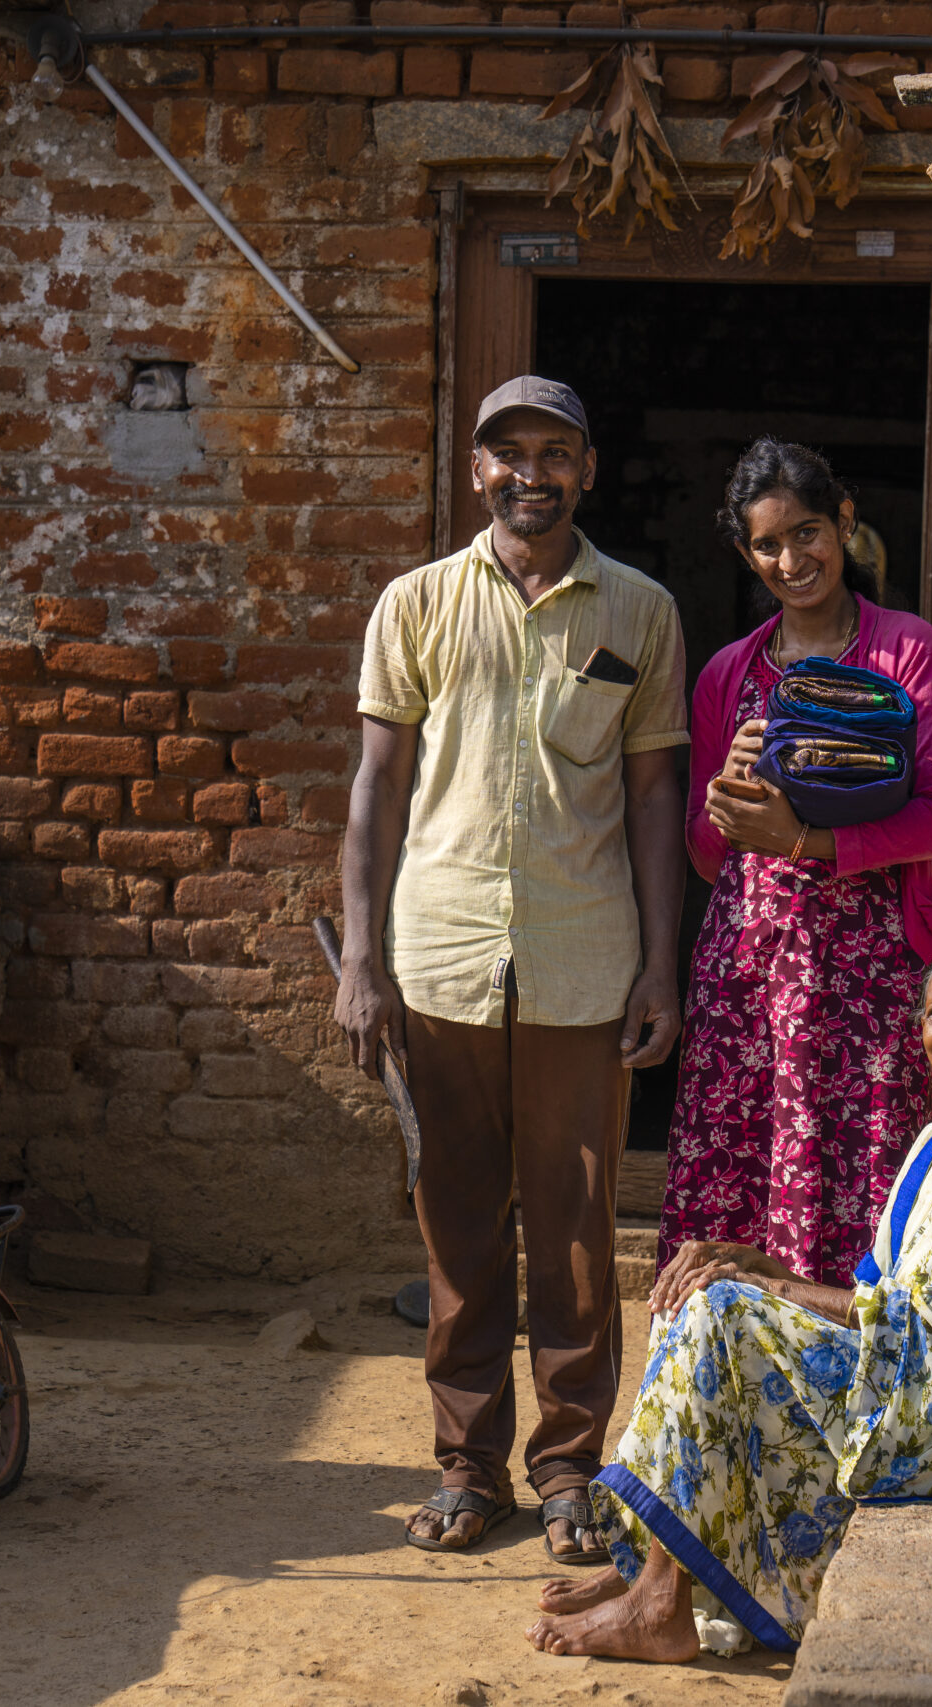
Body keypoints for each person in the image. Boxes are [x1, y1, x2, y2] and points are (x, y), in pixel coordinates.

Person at [524, 938, 932, 1661]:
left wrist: (766, 1283)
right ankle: (654, 1573)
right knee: (701, 1293)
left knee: (725, 1313)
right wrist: (756, 1264)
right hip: (915, 1366)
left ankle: (660, 1600)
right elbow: (881, 1290)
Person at [337, 376, 690, 1563]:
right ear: (474, 472)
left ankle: (568, 1468)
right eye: (506, 455)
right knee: (460, 1227)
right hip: (439, 957)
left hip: (584, 958)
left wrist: (659, 966)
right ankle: (465, 1465)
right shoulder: (417, 604)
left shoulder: (638, 610)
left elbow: (653, 796)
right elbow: (378, 788)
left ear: (587, 470)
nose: (528, 474)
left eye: (553, 453)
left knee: (578, 1227)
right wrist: (362, 959)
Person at [662, 439, 932, 1290]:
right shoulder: (730, 672)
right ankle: (723, 1380)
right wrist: (724, 803)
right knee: (739, 1170)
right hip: (749, 973)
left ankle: (845, 1382)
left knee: (861, 1168)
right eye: (768, 544)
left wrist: (806, 842)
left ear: (843, 522)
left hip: (866, 967)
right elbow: (705, 850)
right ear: (745, 552)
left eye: (808, 532)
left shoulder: (904, 651)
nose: (792, 560)